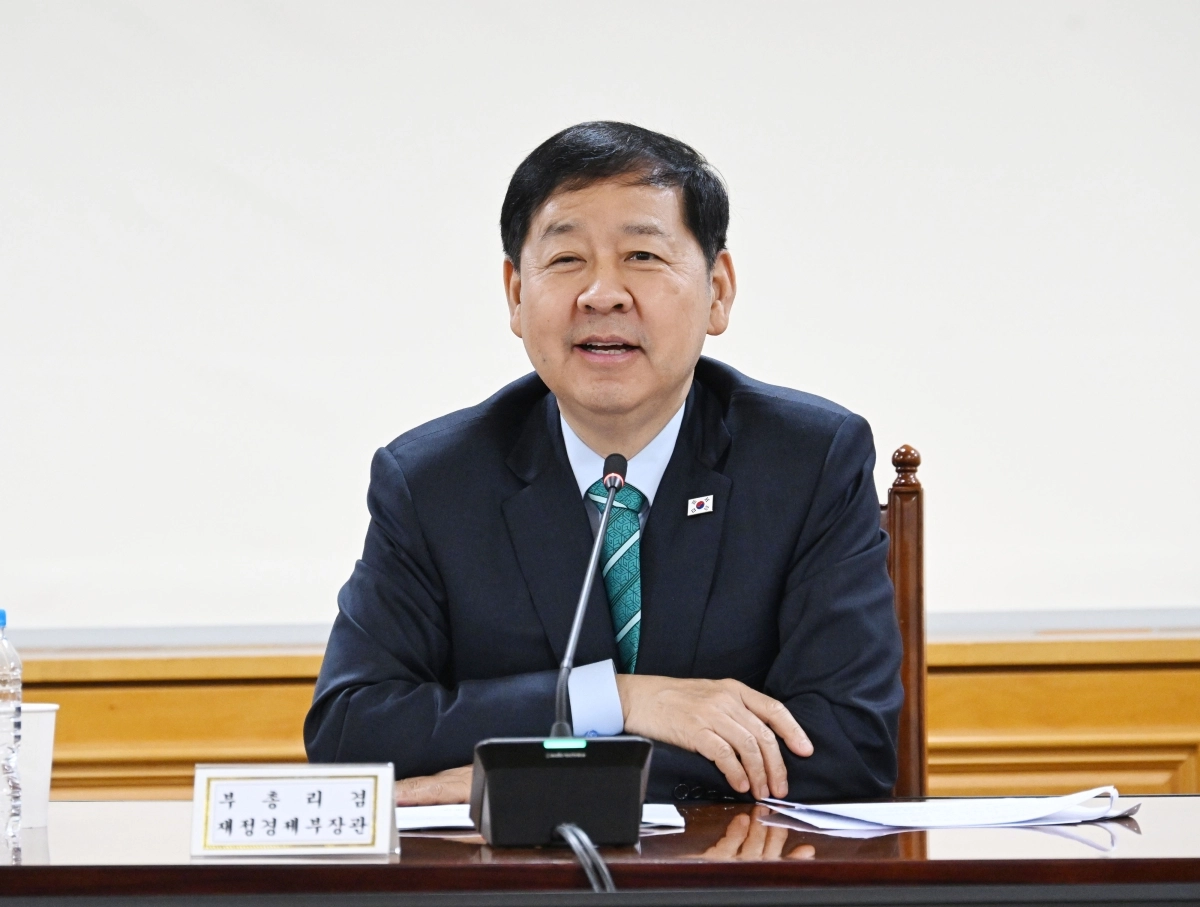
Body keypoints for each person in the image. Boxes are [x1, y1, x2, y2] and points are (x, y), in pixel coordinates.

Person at [305, 122, 903, 806]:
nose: (602, 294)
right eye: (566, 260)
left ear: (718, 290)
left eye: (642, 255)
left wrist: (532, 780)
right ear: (515, 294)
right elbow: (351, 730)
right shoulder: (432, 482)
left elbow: (846, 746)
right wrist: (615, 699)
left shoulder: (807, 462)